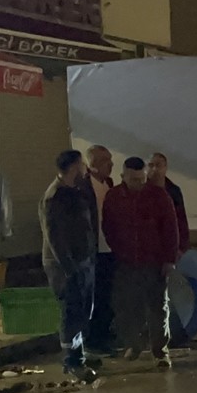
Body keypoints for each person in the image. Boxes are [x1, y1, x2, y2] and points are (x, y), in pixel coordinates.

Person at [103, 157, 179, 368]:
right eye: (133, 179)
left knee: (158, 307)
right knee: (128, 306)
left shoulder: (159, 196)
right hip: (126, 262)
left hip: (154, 262)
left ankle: (160, 350)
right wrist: (119, 251)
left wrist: (169, 259)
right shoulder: (113, 197)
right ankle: (134, 344)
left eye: (141, 179)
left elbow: (170, 229)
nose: (137, 183)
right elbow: (108, 227)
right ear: (123, 176)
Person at [38, 150, 98, 382]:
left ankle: (79, 353)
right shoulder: (55, 197)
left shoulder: (75, 191)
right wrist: (70, 268)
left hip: (83, 261)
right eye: (82, 165)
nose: (86, 168)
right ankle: (73, 361)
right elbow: (55, 238)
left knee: (83, 310)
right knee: (71, 311)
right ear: (74, 166)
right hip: (65, 266)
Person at [78, 145, 116, 353]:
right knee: (95, 298)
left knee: (107, 297)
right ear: (93, 164)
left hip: (110, 249)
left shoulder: (108, 184)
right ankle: (93, 340)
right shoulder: (84, 187)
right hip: (93, 252)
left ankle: (103, 336)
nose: (111, 164)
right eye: (105, 161)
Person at [148, 152, 190, 254]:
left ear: (165, 168)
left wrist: (181, 248)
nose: (154, 169)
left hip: (171, 247)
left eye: (158, 165)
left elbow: (181, 221)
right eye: (151, 165)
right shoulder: (141, 190)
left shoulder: (174, 191)